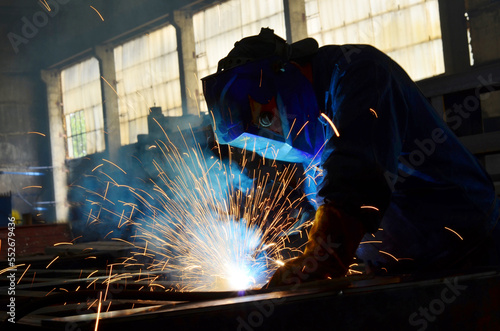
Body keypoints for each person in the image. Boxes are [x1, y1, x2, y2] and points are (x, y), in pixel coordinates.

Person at [202, 28, 500, 286]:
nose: (272, 132)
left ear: (286, 75)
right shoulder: (313, 124)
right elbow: (326, 202)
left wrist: (318, 261)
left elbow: (355, 176)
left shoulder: (359, 74)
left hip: (471, 258)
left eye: (266, 118)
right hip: (397, 273)